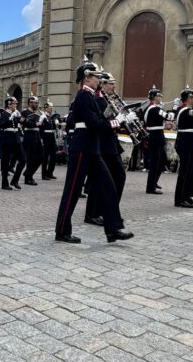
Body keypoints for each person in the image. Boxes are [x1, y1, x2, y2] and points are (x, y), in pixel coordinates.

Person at [55, 59, 133, 244]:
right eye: (96, 77)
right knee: (73, 190)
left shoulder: (89, 96)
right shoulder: (83, 96)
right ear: (87, 77)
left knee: (109, 188)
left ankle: (113, 229)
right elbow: (95, 124)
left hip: (92, 148)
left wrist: (116, 119)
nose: (98, 80)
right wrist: (119, 120)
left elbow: (99, 122)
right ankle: (62, 231)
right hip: (83, 148)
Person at [98, 71, 127, 201]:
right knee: (116, 176)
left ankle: (108, 209)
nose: (113, 87)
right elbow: (104, 124)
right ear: (103, 84)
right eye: (111, 84)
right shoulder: (100, 100)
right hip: (104, 143)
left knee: (114, 177)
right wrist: (119, 120)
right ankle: (105, 210)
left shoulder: (108, 99)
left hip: (111, 142)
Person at [144, 86, 174, 194]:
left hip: (156, 135)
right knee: (155, 162)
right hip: (156, 136)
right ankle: (150, 187)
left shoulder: (153, 108)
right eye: (158, 96)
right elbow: (169, 117)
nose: (160, 97)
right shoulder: (155, 109)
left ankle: (153, 182)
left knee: (161, 161)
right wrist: (175, 107)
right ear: (153, 97)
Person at [0, 97, 26, 190]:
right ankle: (4, 183)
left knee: (22, 160)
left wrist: (23, 119)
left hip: (16, 138)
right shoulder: (4, 113)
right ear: (9, 104)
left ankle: (15, 180)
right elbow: (1, 124)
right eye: (14, 104)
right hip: (7, 138)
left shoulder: (16, 113)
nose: (15, 105)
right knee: (5, 161)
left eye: (16, 104)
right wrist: (10, 118)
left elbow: (22, 122)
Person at [20, 96, 43, 185]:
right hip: (29, 136)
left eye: (37, 103)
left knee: (41, 157)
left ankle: (28, 172)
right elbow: (24, 123)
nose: (36, 104)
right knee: (31, 158)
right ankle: (28, 178)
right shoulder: (24, 112)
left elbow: (41, 126)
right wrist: (35, 123)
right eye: (34, 102)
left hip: (37, 136)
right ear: (29, 103)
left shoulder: (39, 113)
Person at [40, 102, 59, 180]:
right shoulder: (43, 116)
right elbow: (41, 129)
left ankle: (50, 172)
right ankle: (44, 174)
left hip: (52, 137)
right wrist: (41, 139)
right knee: (45, 157)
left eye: (52, 107)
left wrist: (56, 122)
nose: (51, 108)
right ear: (46, 108)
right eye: (50, 107)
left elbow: (54, 128)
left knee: (53, 156)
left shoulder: (52, 117)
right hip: (45, 137)